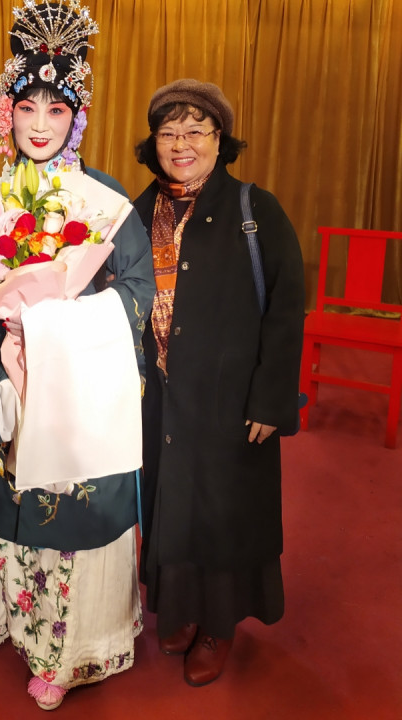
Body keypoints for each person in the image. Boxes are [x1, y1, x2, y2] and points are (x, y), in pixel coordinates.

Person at [0, 1, 155, 711]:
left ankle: (75, 650)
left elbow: (138, 290)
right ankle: (25, 628)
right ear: (6, 112)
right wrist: (5, 357)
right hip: (16, 383)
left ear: (76, 118)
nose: (40, 123)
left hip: (83, 388)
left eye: (57, 108)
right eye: (27, 107)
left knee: (76, 509)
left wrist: (58, 326)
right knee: (21, 495)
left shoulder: (104, 197)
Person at [133, 79, 305, 687]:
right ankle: (181, 610)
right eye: (168, 133)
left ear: (219, 139)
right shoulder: (139, 211)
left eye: (195, 131)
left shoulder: (256, 210)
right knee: (171, 506)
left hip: (230, 400)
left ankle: (218, 625)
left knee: (221, 513)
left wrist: (272, 399)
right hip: (161, 398)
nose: (181, 144)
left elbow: (286, 309)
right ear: (153, 143)